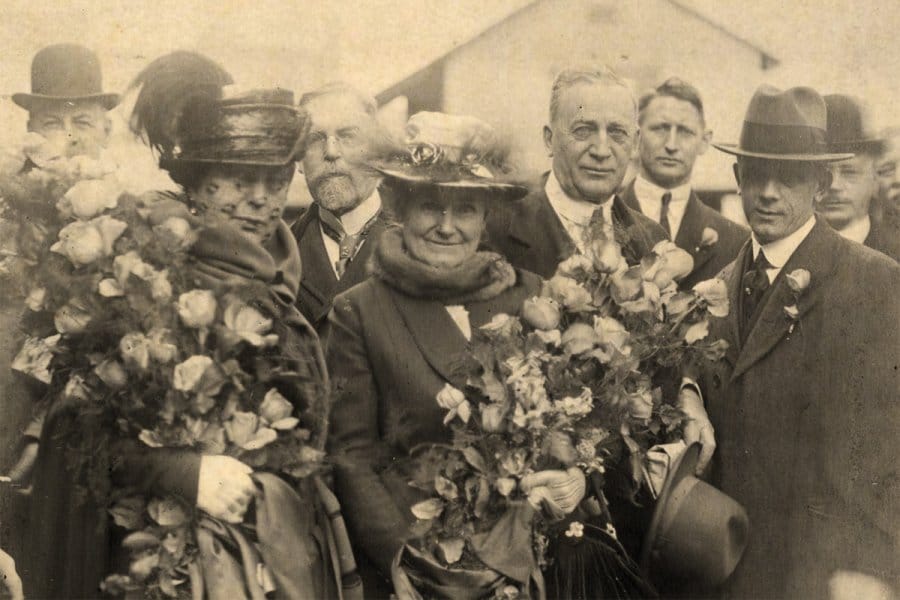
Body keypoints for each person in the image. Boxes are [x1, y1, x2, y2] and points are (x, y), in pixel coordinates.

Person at [22, 51, 357, 599]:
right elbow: (75, 429)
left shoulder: (285, 273)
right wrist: (183, 473)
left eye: (276, 181)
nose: (260, 199)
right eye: (236, 180)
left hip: (276, 553)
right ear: (196, 184)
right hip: (157, 561)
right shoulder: (144, 274)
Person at [324, 113, 586, 597]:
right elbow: (351, 456)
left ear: (486, 216)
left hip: (519, 566)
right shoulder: (360, 310)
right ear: (401, 208)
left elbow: (565, 423)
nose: (447, 227)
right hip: (422, 568)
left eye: (464, 209)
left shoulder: (529, 296)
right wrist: (399, 558)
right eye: (430, 207)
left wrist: (574, 476)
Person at [701, 85, 899, 598]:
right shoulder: (716, 287)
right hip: (727, 571)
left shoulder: (874, 283)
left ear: (821, 182)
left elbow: (885, 450)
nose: (769, 192)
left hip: (821, 575)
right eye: (756, 174)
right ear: (736, 178)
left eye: (788, 176)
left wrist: (873, 572)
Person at [0, 43, 121, 566]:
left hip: (96, 456)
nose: (69, 137)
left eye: (84, 122)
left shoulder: (129, 224)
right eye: (52, 122)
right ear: (29, 132)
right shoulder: (7, 216)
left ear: (107, 132)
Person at [486, 67, 667, 279]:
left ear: (635, 143)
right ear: (549, 139)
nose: (601, 151)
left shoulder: (654, 240)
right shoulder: (496, 229)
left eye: (617, 132)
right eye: (582, 130)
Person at [621, 77, 749, 287]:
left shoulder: (736, 241)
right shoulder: (601, 220)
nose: (671, 145)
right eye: (660, 128)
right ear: (636, 136)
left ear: (704, 141)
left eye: (685, 132)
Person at [291, 83, 393, 331]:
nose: (331, 151)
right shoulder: (280, 253)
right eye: (315, 139)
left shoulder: (422, 240)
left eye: (348, 136)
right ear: (299, 161)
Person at [816, 94, 900, 261]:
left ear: (874, 179)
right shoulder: (783, 254)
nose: (834, 185)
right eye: (822, 173)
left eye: (849, 172)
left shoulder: (895, 256)